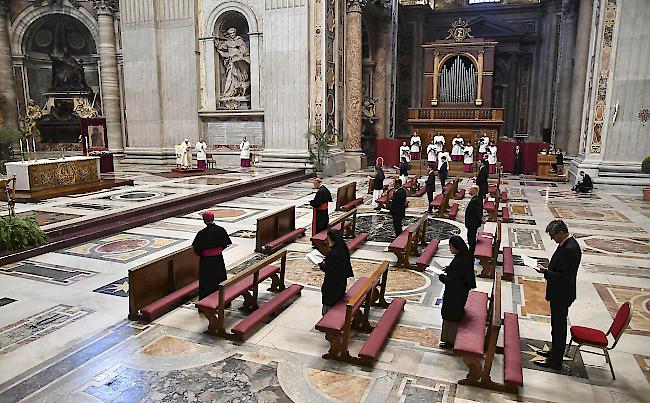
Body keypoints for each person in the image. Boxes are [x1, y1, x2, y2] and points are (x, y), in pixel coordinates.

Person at [534, 220, 581, 370]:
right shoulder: (567, 244)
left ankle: (556, 361)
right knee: (556, 327)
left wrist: (545, 272)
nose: (552, 239)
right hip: (560, 292)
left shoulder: (570, 249)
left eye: (553, 236)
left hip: (561, 294)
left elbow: (564, 277)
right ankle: (555, 352)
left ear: (561, 232)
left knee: (559, 328)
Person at [438, 236, 476, 348]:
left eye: (450, 246)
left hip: (454, 295)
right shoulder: (465, 256)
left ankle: (449, 341)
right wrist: (449, 269)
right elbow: (460, 274)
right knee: (454, 313)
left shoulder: (459, 261)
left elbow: (454, 281)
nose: (449, 248)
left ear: (456, 247)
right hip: (461, 293)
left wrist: (442, 277)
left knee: (450, 316)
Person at [192, 211, 233, 299]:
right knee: (219, 278)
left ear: (204, 220)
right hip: (218, 259)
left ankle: (205, 301)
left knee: (206, 281)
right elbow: (225, 244)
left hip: (206, 261)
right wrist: (217, 251)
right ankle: (222, 300)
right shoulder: (220, 230)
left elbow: (197, 249)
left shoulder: (202, 233)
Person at [318, 230, 355, 315]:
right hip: (341, 283)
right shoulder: (343, 248)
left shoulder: (333, 253)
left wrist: (321, 264)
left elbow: (328, 269)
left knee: (328, 304)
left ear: (332, 239)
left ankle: (326, 323)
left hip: (331, 285)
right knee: (337, 299)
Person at [464, 185, 483, 256]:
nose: (469, 190)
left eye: (471, 189)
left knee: (471, 237)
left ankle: (471, 251)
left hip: (472, 224)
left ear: (475, 190)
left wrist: (469, 223)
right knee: (471, 236)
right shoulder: (477, 199)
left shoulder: (474, 201)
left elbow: (475, 214)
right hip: (473, 223)